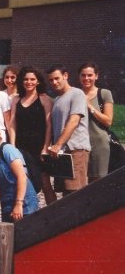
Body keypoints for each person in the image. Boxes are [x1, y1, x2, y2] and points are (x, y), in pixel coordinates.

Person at [8, 66, 56, 204]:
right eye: (26, 79)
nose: (29, 82)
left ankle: (54, 213)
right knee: (23, 183)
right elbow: (12, 125)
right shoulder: (16, 100)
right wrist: (12, 146)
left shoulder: (44, 99)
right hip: (21, 147)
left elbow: (49, 126)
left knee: (45, 183)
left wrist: (45, 147)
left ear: (38, 81)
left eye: (32, 79)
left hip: (39, 147)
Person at [46, 65, 91, 194]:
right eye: (51, 80)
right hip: (61, 153)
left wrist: (58, 144)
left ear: (65, 76)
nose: (54, 82)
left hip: (75, 149)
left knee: (75, 192)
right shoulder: (58, 99)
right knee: (65, 193)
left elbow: (74, 121)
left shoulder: (77, 93)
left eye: (57, 78)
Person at [0, 121, 39, 222]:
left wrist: (19, 204)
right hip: (7, 204)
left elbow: (22, 176)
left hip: (24, 202)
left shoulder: (7, 150)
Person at [79, 62, 114, 182]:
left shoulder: (104, 93)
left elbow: (108, 121)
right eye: (83, 75)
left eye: (90, 75)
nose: (86, 78)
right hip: (80, 145)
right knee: (81, 182)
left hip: (99, 143)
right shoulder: (76, 94)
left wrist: (89, 106)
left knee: (98, 182)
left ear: (96, 76)